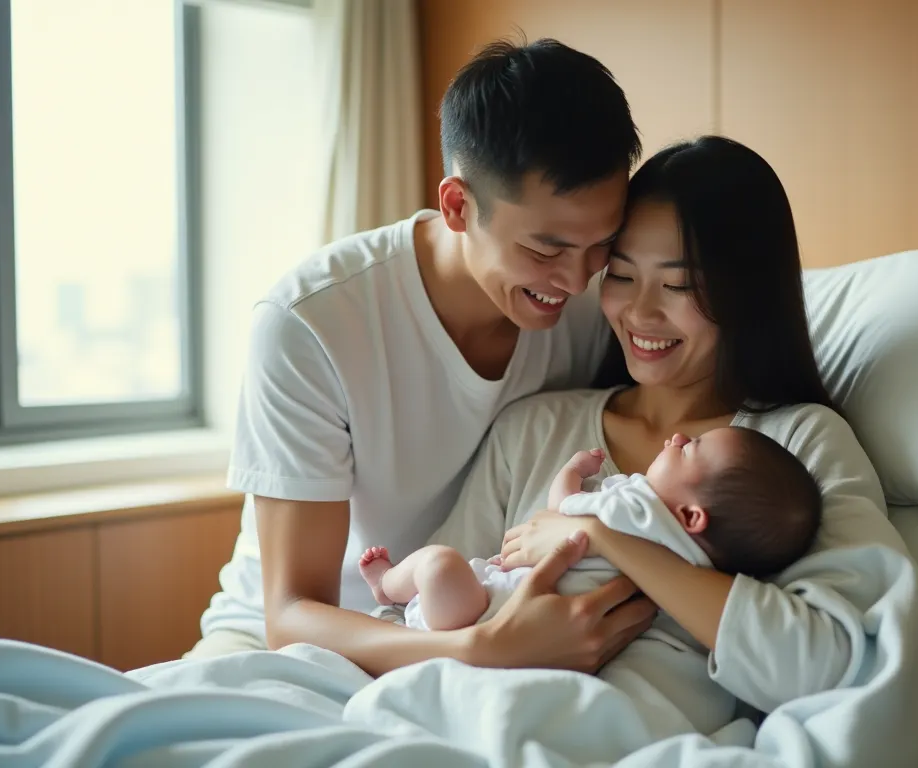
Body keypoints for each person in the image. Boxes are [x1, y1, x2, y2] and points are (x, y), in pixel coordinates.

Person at [414, 136, 918, 755]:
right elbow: (424, 607)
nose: (639, 313)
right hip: (473, 725)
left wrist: (613, 540)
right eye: (621, 275)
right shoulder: (533, 430)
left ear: (744, 293)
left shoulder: (797, 445)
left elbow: (827, 667)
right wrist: (494, 648)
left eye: (680, 286)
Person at [188, 38, 660, 667]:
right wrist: (479, 650)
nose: (576, 282)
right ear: (458, 206)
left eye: (599, 246)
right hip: (294, 643)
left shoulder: (596, 304)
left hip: (481, 614)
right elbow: (291, 614)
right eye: (546, 250)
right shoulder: (311, 324)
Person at [357, 426, 821, 632]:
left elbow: (563, 511)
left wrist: (574, 471)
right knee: (441, 569)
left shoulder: (638, 509)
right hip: (505, 622)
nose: (678, 437)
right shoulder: (700, 569)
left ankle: (387, 586)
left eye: (691, 448)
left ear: (691, 516)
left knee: (438, 563)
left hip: (486, 610)